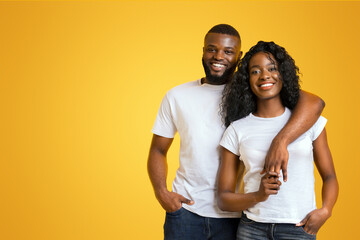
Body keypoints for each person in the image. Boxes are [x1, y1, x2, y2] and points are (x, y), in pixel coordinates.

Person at [147, 24, 325, 240]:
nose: (218, 56)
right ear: (203, 51)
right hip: (186, 212)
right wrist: (162, 193)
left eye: (228, 52)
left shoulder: (253, 93)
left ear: (239, 57)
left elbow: (314, 102)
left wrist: (281, 141)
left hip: (237, 215)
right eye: (211, 49)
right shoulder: (177, 96)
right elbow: (158, 149)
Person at [218, 41, 339, 240]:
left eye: (272, 68)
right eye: (255, 71)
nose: (265, 75)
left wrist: (326, 210)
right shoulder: (237, 129)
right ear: (247, 80)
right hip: (252, 229)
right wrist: (258, 195)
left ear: (283, 73)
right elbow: (223, 198)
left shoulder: (309, 122)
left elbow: (330, 177)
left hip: (298, 227)